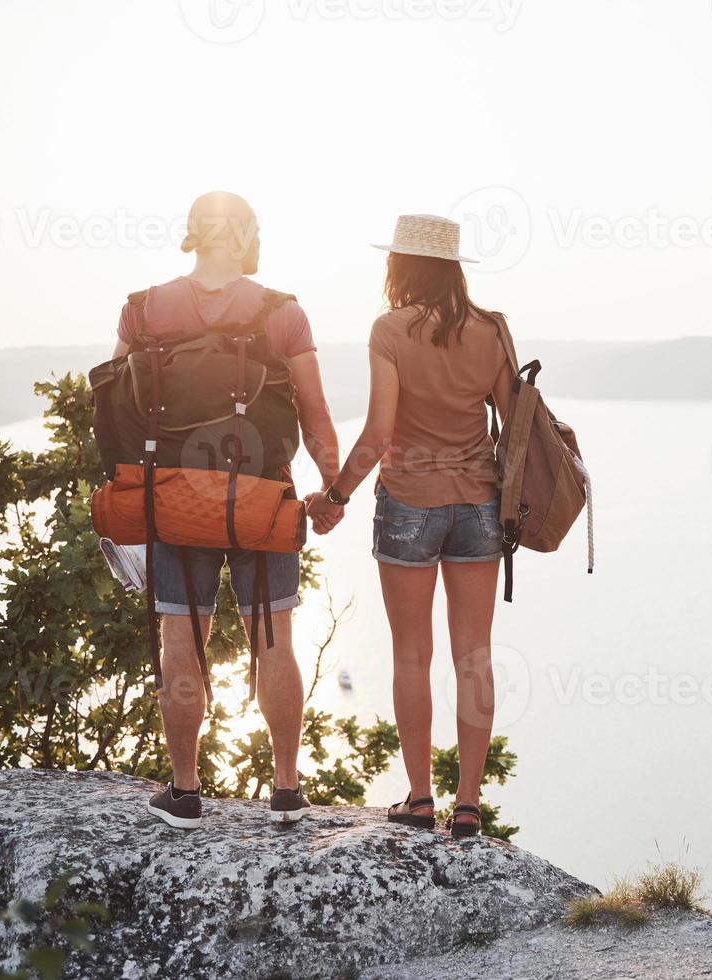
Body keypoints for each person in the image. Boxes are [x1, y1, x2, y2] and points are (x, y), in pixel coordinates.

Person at [114, 191, 341, 830]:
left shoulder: (144, 310)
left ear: (192, 234)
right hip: (262, 497)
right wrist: (333, 490)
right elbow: (315, 410)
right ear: (245, 237)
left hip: (174, 499)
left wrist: (132, 490)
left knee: (181, 636)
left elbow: (113, 406)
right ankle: (287, 789)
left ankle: (185, 792)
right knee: (273, 637)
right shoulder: (281, 313)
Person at [306, 214, 513, 838]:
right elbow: (514, 425)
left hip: (410, 507)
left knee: (412, 655)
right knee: (474, 657)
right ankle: (469, 806)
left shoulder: (390, 330)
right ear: (452, 268)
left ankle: (420, 798)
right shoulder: (492, 329)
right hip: (479, 505)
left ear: (401, 266)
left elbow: (378, 434)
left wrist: (335, 494)